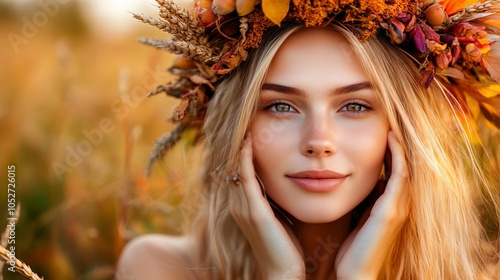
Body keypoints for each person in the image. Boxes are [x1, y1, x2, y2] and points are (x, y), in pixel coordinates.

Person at [116, 0, 500, 279]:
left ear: (403, 129)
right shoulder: (160, 269)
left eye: (354, 106)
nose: (319, 142)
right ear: (237, 124)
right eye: (281, 107)